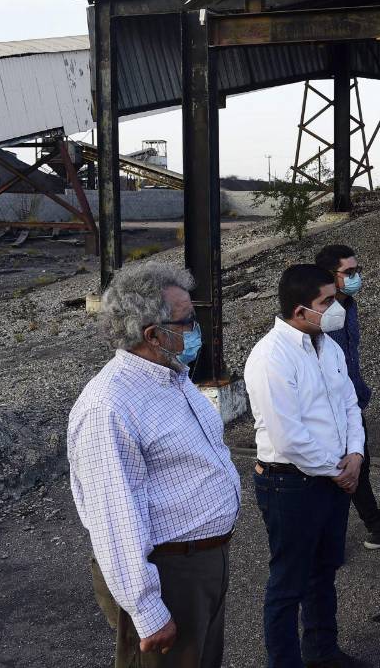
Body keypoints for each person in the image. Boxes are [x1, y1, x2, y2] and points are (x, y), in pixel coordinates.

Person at [67, 261, 240, 668]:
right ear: (153, 335)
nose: (197, 330)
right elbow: (113, 518)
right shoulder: (108, 406)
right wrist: (147, 611)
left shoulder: (172, 376)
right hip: (168, 574)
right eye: (188, 321)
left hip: (202, 561)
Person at [244, 264, 368, 668]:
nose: (336, 308)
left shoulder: (327, 344)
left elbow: (349, 403)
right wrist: (339, 471)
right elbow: (288, 436)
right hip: (290, 484)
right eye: (327, 302)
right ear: (300, 311)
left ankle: (322, 650)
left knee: (324, 572)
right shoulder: (269, 358)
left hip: (334, 478)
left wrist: (355, 455)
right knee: (288, 583)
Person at [314, 244, 380, 551]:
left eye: (357, 271)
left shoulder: (349, 305)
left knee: (357, 466)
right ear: (330, 276)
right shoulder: (320, 316)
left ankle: (375, 528)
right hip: (330, 409)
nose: (355, 277)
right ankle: (332, 540)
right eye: (348, 272)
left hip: (351, 403)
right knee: (336, 471)